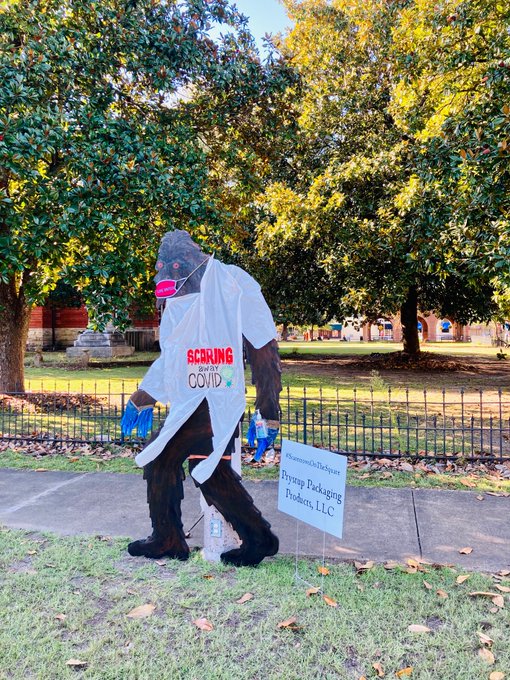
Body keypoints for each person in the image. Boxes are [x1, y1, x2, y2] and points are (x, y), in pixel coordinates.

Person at [121, 230, 281, 566]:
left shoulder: (234, 283)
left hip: (218, 399)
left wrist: (268, 411)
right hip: (192, 397)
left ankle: (168, 539)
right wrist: (143, 396)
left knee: (160, 459)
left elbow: (264, 348)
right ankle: (258, 538)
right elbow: (174, 353)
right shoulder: (182, 295)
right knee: (208, 470)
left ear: (181, 265)